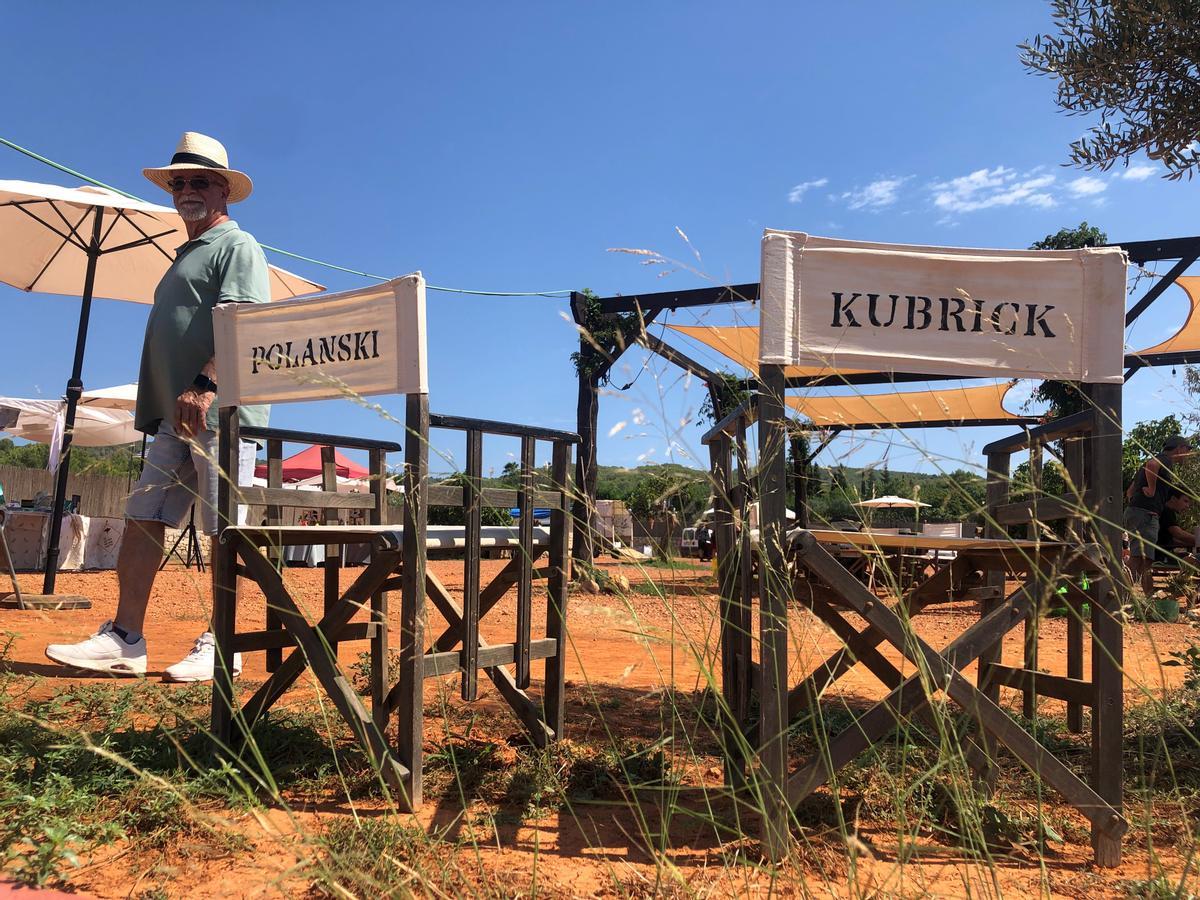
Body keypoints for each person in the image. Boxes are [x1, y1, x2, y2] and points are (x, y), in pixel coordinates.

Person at [45, 133, 269, 681]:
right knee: (142, 518)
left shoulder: (236, 246)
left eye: (200, 181)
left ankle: (225, 644)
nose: (187, 190)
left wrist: (204, 384)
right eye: (180, 182)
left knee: (224, 530)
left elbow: (242, 322)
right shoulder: (184, 255)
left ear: (225, 192)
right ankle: (126, 638)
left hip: (219, 411)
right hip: (176, 415)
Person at [1124, 435, 1192, 595]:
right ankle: (1118, 597)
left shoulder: (1154, 463)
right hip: (1146, 515)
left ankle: (1142, 600)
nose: (1187, 454)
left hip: (1136, 512)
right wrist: (1152, 489)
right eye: (1187, 450)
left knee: (1144, 560)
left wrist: (1140, 501)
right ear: (1179, 448)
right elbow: (1152, 465)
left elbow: (1130, 490)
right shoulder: (1165, 460)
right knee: (1139, 560)